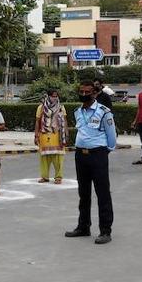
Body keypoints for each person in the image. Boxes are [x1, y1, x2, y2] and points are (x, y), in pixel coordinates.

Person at [66, 81, 117, 244]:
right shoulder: (77, 111)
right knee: (84, 193)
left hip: (98, 154)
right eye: (81, 91)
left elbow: (111, 136)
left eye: (87, 91)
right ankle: (83, 226)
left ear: (94, 93)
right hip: (81, 155)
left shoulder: (104, 112)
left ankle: (105, 231)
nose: (84, 94)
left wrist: (104, 151)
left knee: (102, 193)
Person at [35, 88, 68, 184]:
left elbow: (64, 120)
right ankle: (45, 177)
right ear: (48, 96)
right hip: (44, 134)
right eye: (53, 96)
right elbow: (37, 122)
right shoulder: (41, 108)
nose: (55, 98)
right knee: (44, 157)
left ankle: (58, 177)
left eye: (56, 96)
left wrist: (66, 133)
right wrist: (36, 135)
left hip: (57, 135)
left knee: (58, 157)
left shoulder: (61, 107)